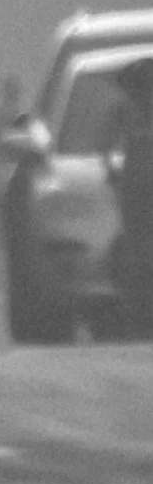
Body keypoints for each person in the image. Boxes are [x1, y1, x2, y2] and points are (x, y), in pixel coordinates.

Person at [101, 58, 153, 333]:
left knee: (137, 246)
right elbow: (107, 148)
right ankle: (138, 307)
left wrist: (111, 170)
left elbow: (107, 149)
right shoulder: (123, 110)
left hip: (134, 183)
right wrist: (112, 171)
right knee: (136, 247)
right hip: (134, 185)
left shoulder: (123, 109)